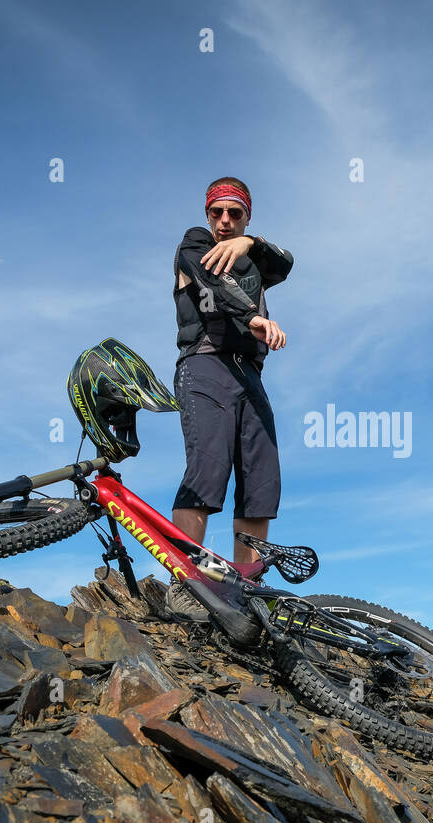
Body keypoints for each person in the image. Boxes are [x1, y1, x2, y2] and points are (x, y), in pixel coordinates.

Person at [164, 177, 293, 621]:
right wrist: (254, 317)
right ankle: (187, 582)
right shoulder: (194, 245)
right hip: (205, 365)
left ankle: (245, 587)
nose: (224, 221)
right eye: (217, 212)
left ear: (247, 216)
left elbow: (286, 263)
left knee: (262, 482)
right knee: (208, 467)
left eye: (234, 214)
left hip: (250, 376)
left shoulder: (251, 258)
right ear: (206, 214)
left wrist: (249, 244)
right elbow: (212, 280)